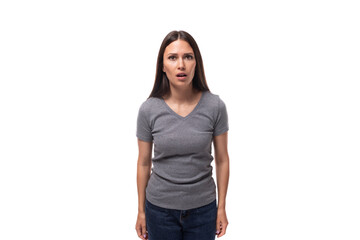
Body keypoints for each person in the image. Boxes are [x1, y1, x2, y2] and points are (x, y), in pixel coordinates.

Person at [135, 30, 230, 240]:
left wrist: (221, 207)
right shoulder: (148, 110)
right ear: (162, 66)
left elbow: (223, 160)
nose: (181, 65)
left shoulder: (215, 106)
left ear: (196, 63)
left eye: (188, 57)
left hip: (203, 211)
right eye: (172, 57)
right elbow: (143, 163)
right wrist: (141, 211)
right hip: (159, 211)